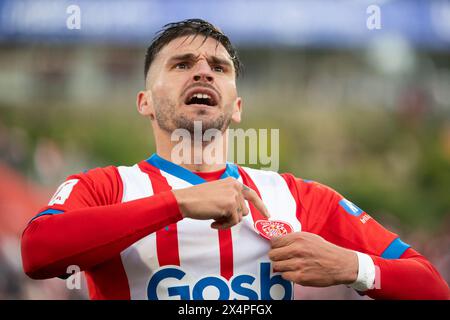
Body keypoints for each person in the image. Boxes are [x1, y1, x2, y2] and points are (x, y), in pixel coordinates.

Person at [21, 19, 449, 300]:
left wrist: (351, 266)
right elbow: (38, 252)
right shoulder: (107, 187)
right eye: (182, 64)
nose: (203, 71)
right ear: (145, 103)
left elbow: (432, 287)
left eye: (219, 68)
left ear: (237, 106)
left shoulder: (296, 197)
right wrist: (179, 203)